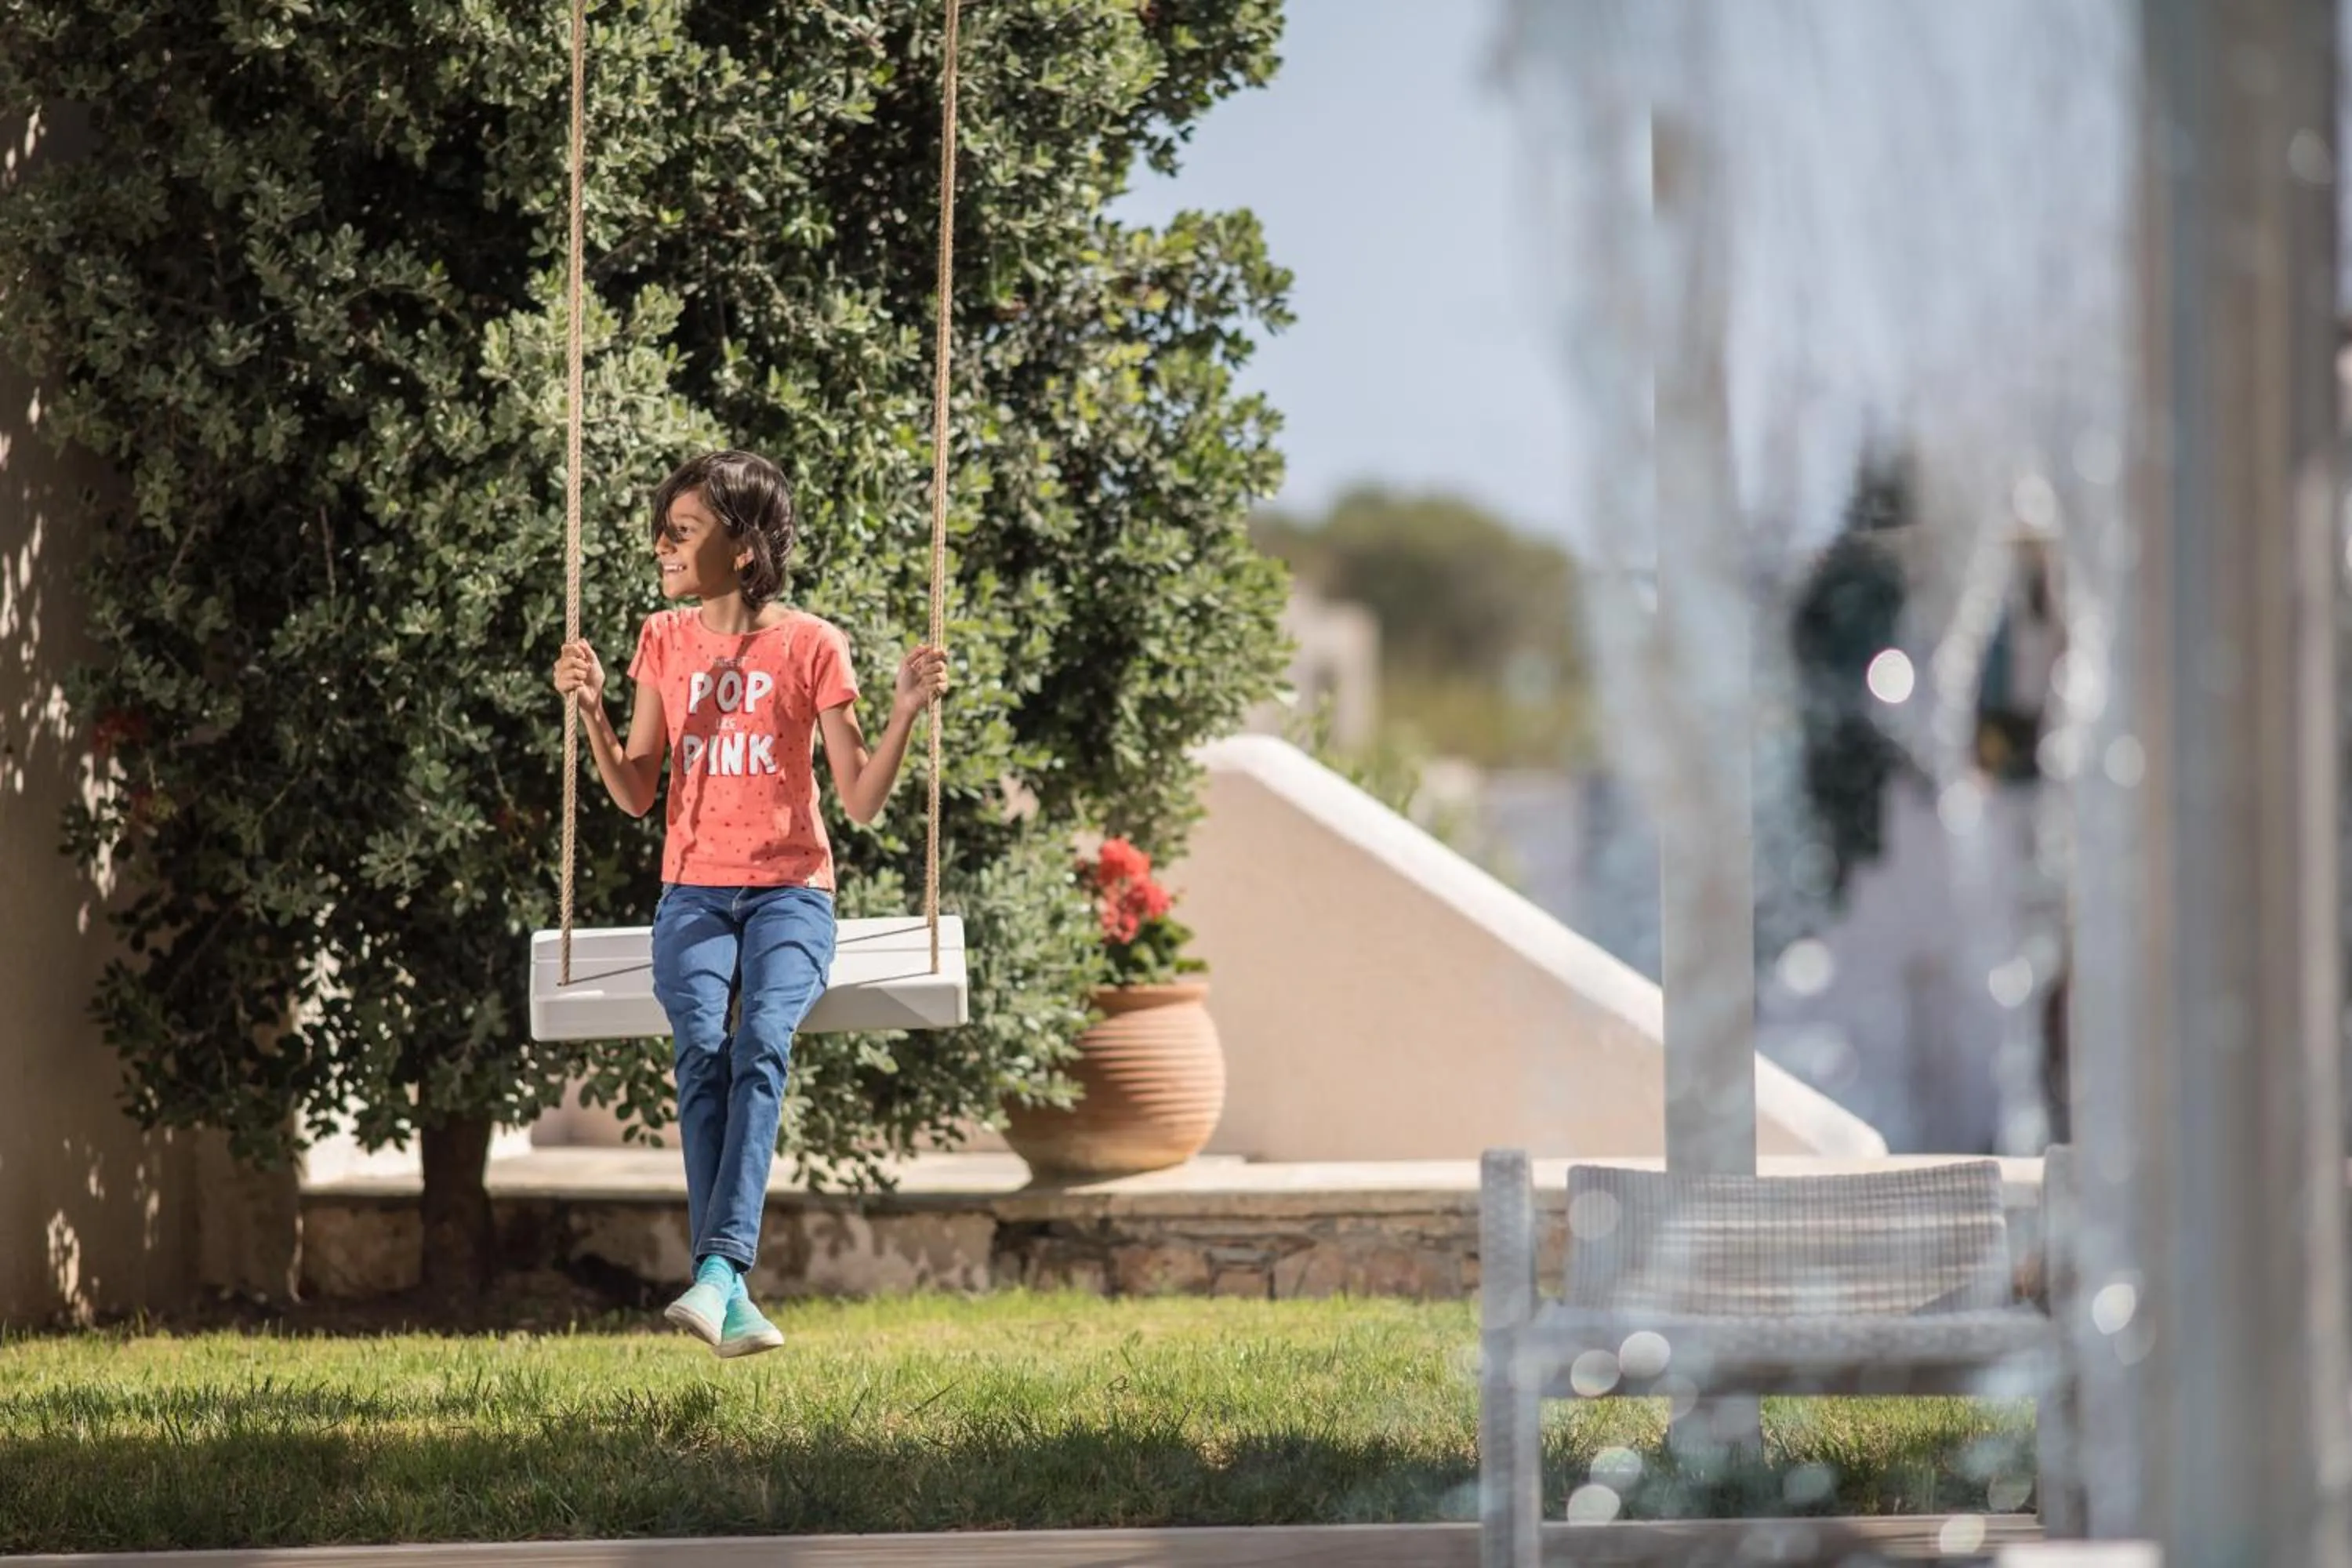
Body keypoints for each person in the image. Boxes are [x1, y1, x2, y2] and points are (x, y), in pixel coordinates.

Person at [550, 449, 947, 1357]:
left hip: (790, 894)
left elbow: (857, 799)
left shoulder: (812, 644)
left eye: (683, 529)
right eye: (664, 527)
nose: (662, 543)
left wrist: (905, 712)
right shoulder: (663, 638)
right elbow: (636, 789)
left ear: (744, 543)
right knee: (701, 1042)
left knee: (762, 1037)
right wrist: (594, 714)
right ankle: (727, 1282)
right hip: (693, 890)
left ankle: (721, 1270)